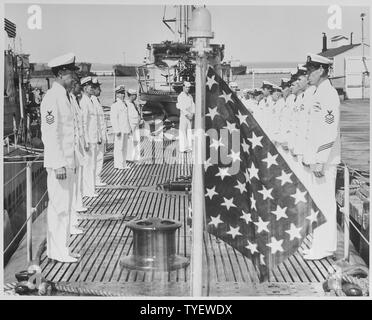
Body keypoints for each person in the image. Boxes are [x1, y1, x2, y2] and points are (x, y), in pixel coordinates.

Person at [40, 52, 80, 263]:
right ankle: (56, 251)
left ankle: (63, 248)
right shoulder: (51, 98)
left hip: (68, 162)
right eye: (72, 72)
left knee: (66, 207)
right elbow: (50, 133)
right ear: (62, 72)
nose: (74, 77)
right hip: (60, 165)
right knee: (59, 208)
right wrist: (58, 164)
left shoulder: (64, 96)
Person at [302, 54, 340, 260]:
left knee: (325, 204)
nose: (308, 74)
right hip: (316, 159)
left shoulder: (329, 94)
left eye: (311, 70)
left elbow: (329, 130)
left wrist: (320, 158)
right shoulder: (319, 92)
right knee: (318, 203)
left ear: (322, 71)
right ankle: (319, 245)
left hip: (323, 161)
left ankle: (325, 248)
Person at [80, 76, 101, 197]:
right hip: (89, 140)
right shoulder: (84, 102)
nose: (93, 89)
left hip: (93, 139)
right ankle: (88, 191)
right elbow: (83, 123)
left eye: (93, 87)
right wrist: (86, 141)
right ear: (85, 88)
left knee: (92, 166)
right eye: (90, 87)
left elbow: (94, 122)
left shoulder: (90, 101)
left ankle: (91, 189)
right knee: (88, 166)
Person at [91, 78, 107, 187]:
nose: (100, 91)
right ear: (93, 89)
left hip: (99, 135)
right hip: (97, 136)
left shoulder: (95, 100)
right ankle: (95, 180)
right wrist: (99, 136)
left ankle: (96, 179)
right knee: (96, 159)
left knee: (98, 158)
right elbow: (94, 121)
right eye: (98, 88)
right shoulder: (92, 101)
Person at [110, 85, 131, 169]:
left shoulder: (124, 104)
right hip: (119, 129)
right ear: (117, 94)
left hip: (125, 128)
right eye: (121, 93)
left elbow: (126, 118)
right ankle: (118, 164)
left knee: (125, 147)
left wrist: (129, 128)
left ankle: (123, 164)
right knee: (119, 147)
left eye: (123, 93)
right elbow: (113, 118)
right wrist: (116, 130)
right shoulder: (115, 105)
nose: (123, 95)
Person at [176, 81, 195, 153]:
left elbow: (193, 105)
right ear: (183, 87)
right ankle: (183, 148)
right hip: (184, 116)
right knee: (183, 131)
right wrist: (187, 114)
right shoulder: (180, 96)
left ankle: (189, 147)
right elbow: (181, 107)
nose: (187, 89)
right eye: (186, 87)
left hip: (190, 115)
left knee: (189, 131)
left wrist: (192, 114)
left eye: (189, 87)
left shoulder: (190, 96)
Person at [125, 88, 143, 161]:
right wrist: (128, 127)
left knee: (137, 140)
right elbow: (126, 117)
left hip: (136, 125)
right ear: (131, 95)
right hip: (131, 125)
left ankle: (137, 156)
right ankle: (130, 157)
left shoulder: (133, 103)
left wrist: (140, 119)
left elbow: (137, 113)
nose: (136, 97)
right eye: (135, 95)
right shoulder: (126, 104)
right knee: (131, 141)